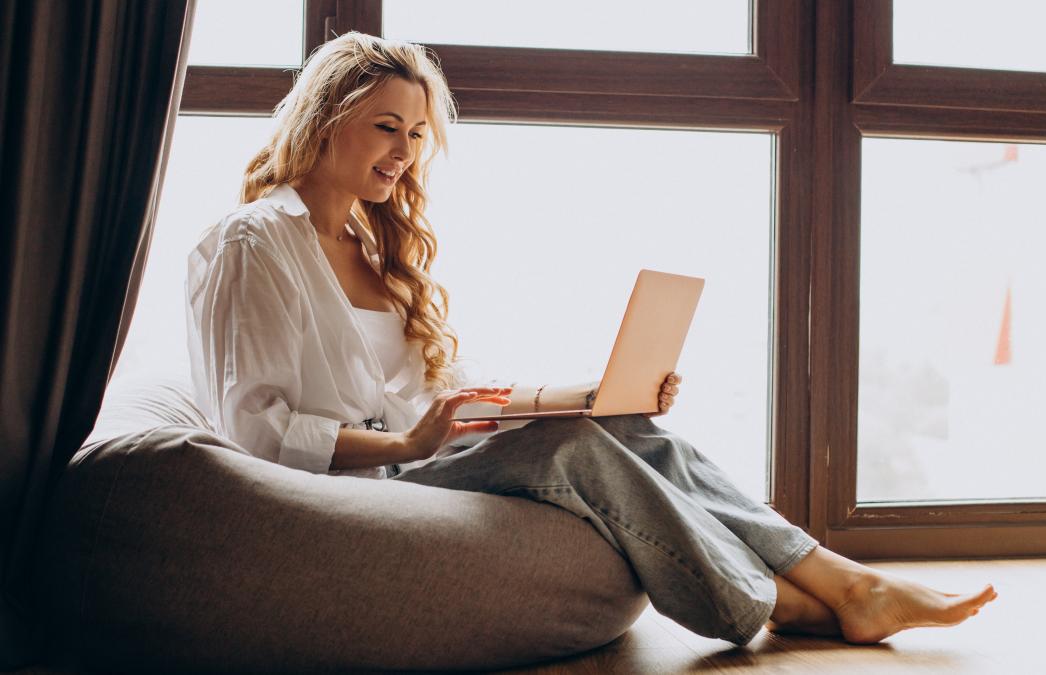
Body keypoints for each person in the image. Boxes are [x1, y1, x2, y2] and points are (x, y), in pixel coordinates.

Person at [185, 31, 996, 647]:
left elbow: (440, 389)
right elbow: (254, 430)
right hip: (355, 493)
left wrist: (567, 395)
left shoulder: (373, 248)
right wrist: (404, 438)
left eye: (418, 134)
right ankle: (784, 601)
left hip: (421, 458)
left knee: (620, 424)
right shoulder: (255, 243)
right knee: (567, 451)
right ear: (327, 122)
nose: (405, 153)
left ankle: (840, 578)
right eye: (386, 128)